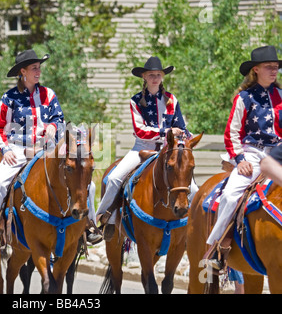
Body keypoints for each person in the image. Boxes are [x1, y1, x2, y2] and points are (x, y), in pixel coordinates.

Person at [0, 49, 100, 247]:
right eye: (34, 68)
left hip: (47, 150)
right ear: (23, 72)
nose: (38, 72)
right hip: (18, 151)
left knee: (86, 182)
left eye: (39, 68)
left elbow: (59, 118)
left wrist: (53, 126)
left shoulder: (49, 94)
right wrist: (6, 151)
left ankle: (89, 224)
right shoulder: (9, 98)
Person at [96, 56, 195, 239]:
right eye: (151, 75)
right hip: (141, 149)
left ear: (162, 77)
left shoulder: (171, 100)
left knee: (194, 188)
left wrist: (186, 136)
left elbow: (180, 124)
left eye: (158, 74)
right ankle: (104, 220)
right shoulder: (135, 101)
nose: (155, 78)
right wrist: (167, 131)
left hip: (167, 151)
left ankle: (192, 228)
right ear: (144, 77)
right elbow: (140, 131)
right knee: (114, 178)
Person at [206, 45, 282, 270]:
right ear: (256, 70)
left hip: (279, 154)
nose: (274, 70)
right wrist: (240, 160)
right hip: (252, 153)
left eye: (276, 67)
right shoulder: (244, 97)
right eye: (269, 67)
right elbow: (232, 132)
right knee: (230, 195)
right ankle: (216, 248)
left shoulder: (281, 96)